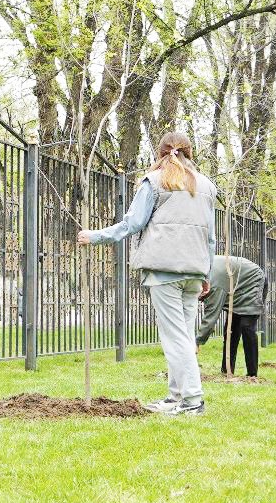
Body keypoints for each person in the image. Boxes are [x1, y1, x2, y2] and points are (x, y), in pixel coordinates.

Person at [79, 132, 216, 416]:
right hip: (194, 271)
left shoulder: (155, 181)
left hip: (165, 271)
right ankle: (175, 397)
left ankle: (192, 400)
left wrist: (96, 236)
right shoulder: (206, 186)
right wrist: (207, 272)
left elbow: (133, 222)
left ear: (160, 152)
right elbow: (210, 237)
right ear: (190, 152)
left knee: (174, 337)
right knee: (184, 336)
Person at [195, 255, 265, 377]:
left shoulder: (214, 283)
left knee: (246, 326)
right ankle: (227, 370)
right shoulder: (202, 270)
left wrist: (197, 341)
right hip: (234, 283)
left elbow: (211, 315)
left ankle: (252, 375)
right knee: (231, 330)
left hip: (252, 279)